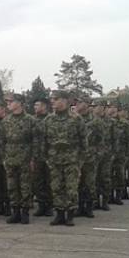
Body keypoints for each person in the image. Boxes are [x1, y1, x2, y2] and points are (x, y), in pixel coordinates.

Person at [45, 90, 87, 226]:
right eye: (52, 99)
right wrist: (47, 158)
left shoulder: (76, 119)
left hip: (72, 160)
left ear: (64, 100)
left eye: (56, 99)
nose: (53, 101)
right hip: (54, 160)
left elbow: (83, 142)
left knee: (71, 187)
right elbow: (44, 142)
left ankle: (70, 214)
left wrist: (80, 160)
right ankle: (59, 214)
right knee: (56, 187)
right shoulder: (49, 120)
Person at [0, 93, 37, 224]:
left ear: (20, 103)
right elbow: (2, 141)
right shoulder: (6, 120)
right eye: (7, 102)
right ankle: (15, 212)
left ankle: (25, 212)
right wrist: (4, 157)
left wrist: (33, 158)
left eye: (11, 101)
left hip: (25, 158)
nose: (8, 104)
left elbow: (35, 141)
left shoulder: (30, 120)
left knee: (25, 186)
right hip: (10, 157)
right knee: (12, 186)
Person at [76, 94, 103, 218]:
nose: (76, 105)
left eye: (80, 102)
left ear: (86, 104)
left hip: (90, 157)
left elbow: (100, 140)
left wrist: (97, 154)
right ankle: (79, 207)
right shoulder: (74, 119)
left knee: (89, 183)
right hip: (76, 157)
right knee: (77, 183)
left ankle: (88, 207)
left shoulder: (95, 120)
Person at [32, 96, 52, 217]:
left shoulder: (51, 119)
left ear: (44, 106)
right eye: (34, 105)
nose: (35, 107)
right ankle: (41, 205)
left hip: (49, 155)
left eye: (37, 105)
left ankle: (49, 206)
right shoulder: (32, 120)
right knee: (38, 182)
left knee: (49, 181)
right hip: (37, 155)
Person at [109, 102, 126, 205]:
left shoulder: (124, 124)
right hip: (109, 153)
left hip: (120, 153)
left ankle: (118, 196)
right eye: (111, 107)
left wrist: (128, 153)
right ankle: (109, 196)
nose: (113, 110)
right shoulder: (107, 123)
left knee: (119, 174)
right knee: (108, 175)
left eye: (116, 109)